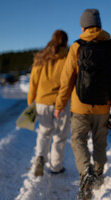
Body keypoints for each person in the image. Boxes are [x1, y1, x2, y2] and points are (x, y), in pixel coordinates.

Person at [54, 9, 111, 200]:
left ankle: (85, 172)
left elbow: (66, 80)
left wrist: (59, 104)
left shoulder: (76, 47)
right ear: (99, 25)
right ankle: (97, 176)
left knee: (78, 139)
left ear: (83, 26)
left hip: (80, 106)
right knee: (100, 142)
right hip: (103, 105)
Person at [27, 29, 71, 177]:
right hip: (61, 103)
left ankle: (40, 157)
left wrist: (31, 101)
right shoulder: (68, 58)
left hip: (41, 102)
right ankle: (56, 167)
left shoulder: (41, 58)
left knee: (44, 133)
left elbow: (33, 82)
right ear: (65, 41)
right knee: (59, 136)